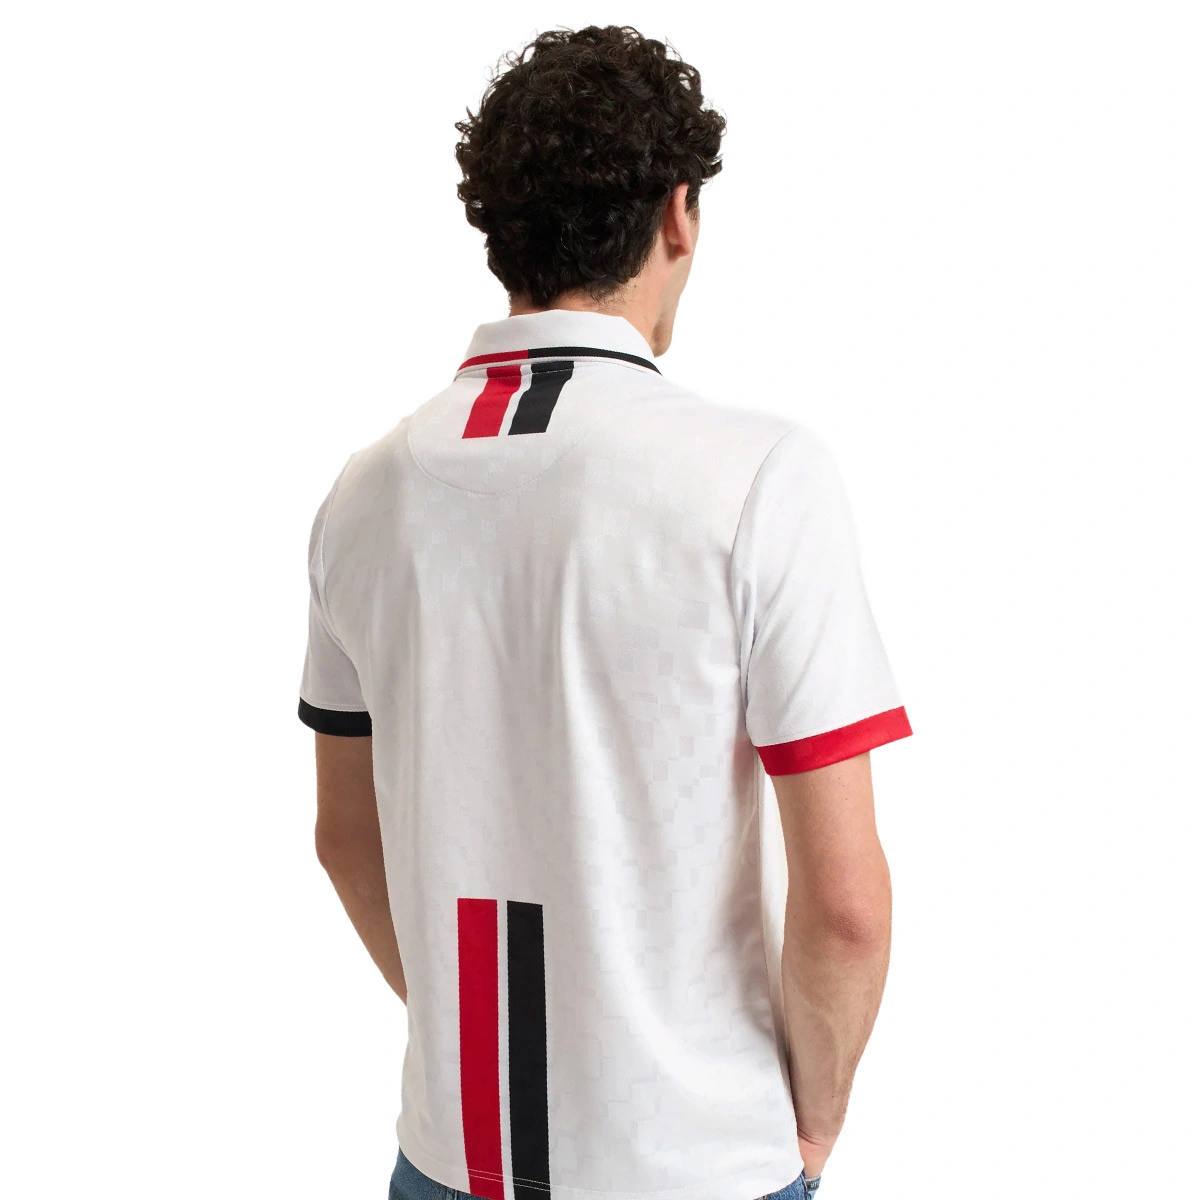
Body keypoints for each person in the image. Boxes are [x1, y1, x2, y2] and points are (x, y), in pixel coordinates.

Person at [298, 24, 912, 1200]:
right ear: (679, 215)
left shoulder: (361, 497)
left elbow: (343, 836)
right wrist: (814, 1128)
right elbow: (845, 907)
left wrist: (466, 1033)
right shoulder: (761, 477)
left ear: (498, 227)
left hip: (449, 1156)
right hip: (697, 1164)